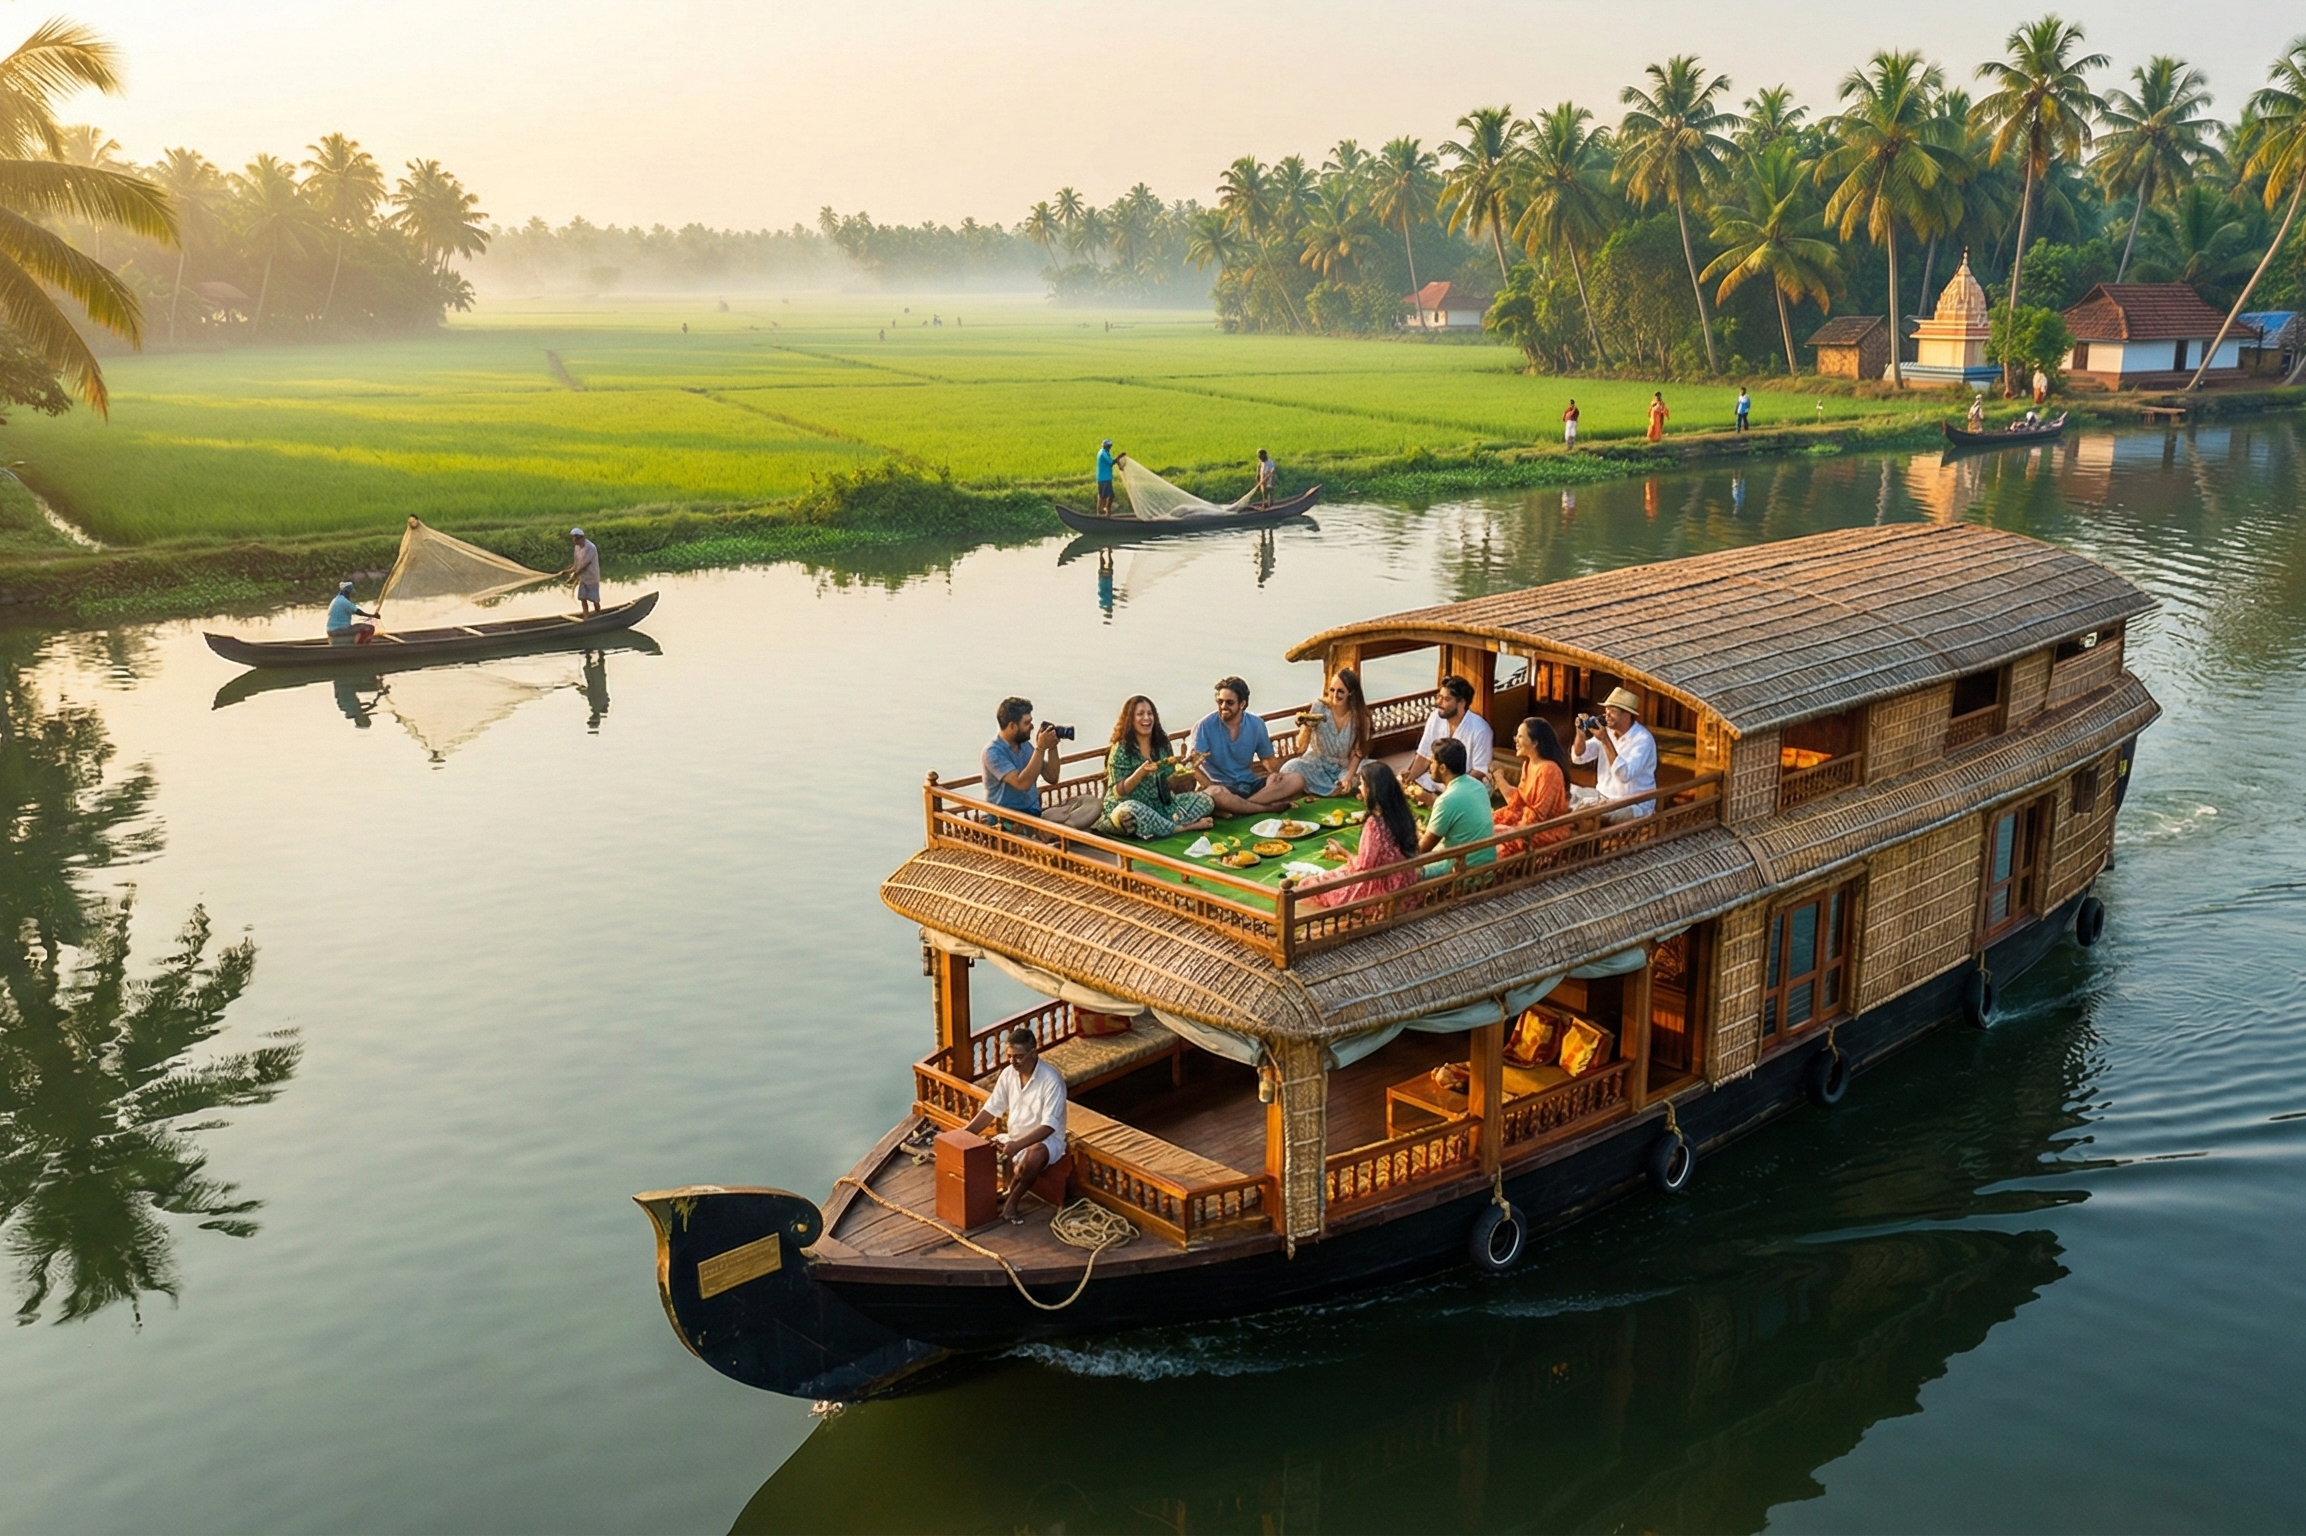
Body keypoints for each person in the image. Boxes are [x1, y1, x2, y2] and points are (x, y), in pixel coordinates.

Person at [962, 1026, 1068, 1225]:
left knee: (1035, 1154)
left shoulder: (1052, 1080)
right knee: (982, 1147)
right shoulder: (1008, 1073)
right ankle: (994, 1193)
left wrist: (1018, 1146)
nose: (1013, 1062)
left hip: (1047, 1141)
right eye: (1009, 1056)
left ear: (1033, 1053)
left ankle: (1013, 1200)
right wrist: (964, 1134)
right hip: (1015, 1136)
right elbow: (992, 1108)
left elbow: (1049, 1127)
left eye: (1018, 1057)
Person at [1303, 761, 1422, 910]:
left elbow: (1363, 867)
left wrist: (1343, 851)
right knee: (1335, 874)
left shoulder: (1375, 823)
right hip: (1405, 879)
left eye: (1361, 784)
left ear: (1371, 789)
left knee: (1311, 885)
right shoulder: (1402, 812)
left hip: (1381, 887)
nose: (1359, 788)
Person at [1099, 695, 1214, 839]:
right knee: (1131, 812)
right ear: (1130, 719)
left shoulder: (1162, 743)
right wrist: (1140, 773)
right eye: (1140, 714)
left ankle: (1160, 826)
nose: (1146, 718)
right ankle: (1185, 827)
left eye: (1150, 713)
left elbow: (1169, 781)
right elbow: (1118, 792)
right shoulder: (1121, 749)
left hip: (1159, 805)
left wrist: (1189, 767)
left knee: (1206, 800)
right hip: (1130, 805)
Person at [1187, 676, 1282, 817]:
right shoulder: (1204, 726)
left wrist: (1278, 774)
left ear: (1242, 704)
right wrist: (1210, 786)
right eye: (1220, 702)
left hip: (1251, 783)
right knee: (1217, 794)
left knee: (1295, 779)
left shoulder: (1256, 724)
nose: (1223, 706)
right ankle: (1264, 808)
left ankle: (1241, 807)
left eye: (1229, 702)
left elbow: (1267, 759)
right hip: (1222, 787)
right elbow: (1190, 765)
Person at [1271, 668, 1369, 801]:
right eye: (1332, 690)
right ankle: (1332, 790)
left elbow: (1358, 753)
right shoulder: (1319, 707)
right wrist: (1306, 726)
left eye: (1340, 691)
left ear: (1351, 692)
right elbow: (1301, 748)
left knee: (1370, 771)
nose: (1335, 695)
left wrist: (1348, 777)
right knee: (1290, 767)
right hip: (1316, 764)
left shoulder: (1360, 718)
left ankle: (1336, 788)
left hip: (1343, 767)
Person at [1571, 686, 1658, 820]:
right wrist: (1580, 732)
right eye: (1606, 710)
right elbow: (1579, 756)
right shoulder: (1609, 732)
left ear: (1627, 714)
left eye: (1612, 711)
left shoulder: (1643, 739)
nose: (1607, 715)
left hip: (1631, 803)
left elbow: (1624, 775)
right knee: (1567, 796)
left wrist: (1605, 740)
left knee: (1593, 818)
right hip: (1603, 797)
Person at [1403, 676, 1494, 800]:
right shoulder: (1435, 717)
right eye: (1439, 697)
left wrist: (1452, 792)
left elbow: (1480, 770)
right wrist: (1409, 779)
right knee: (1404, 781)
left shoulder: (1480, 730)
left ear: (1461, 702)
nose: (1439, 702)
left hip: (1466, 785)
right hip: (1438, 780)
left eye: (1446, 699)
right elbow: (1424, 755)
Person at [1418, 738, 1496, 876]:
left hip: (1463, 872)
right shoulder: (1477, 785)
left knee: (1406, 873)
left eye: (1432, 763)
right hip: (1488, 867)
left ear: (1442, 768)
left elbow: (1423, 849)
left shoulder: (1446, 800)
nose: (1429, 766)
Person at [1497, 716, 1573, 856]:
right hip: (1526, 819)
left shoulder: (1549, 770)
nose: (1516, 740)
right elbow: (1519, 800)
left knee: (1497, 836)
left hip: (1544, 829)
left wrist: (1513, 829)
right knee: (1486, 824)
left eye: (1520, 736)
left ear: (1535, 743)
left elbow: (1539, 815)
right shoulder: (1528, 763)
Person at [983, 696, 1062, 824]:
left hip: (1033, 814)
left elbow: (1052, 777)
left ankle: (1050, 833)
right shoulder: (993, 752)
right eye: (1027, 723)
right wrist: (1040, 748)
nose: (1031, 727)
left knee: (1090, 803)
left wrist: (1051, 746)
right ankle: (1049, 834)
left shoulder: (1026, 747)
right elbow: (1022, 784)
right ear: (1012, 726)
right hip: (1006, 820)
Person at [559, 528, 602, 615]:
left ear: (581, 538)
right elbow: (577, 564)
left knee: (594, 599)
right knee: (583, 598)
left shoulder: (590, 547)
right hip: (583, 577)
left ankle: (599, 614)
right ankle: (586, 617)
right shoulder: (577, 547)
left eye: (575, 539)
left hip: (591, 577)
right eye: (573, 539)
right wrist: (566, 571)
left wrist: (574, 576)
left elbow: (584, 566)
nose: (574, 541)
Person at [325, 579, 377, 645]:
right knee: (369, 628)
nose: (350, 594)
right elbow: (358, 612)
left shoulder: (336, 599)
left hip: (331, 630)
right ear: (347, 592)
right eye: (350, 592)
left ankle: (355, 641)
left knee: (358, 626)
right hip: (339, 630)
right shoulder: (344, 601)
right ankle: (359, 647)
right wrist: (373, 616)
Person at [1096, 439, 1118, 516]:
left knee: (1102, 495)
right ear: (1105, 446)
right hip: (1104, 478)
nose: (1109, 447)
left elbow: (1110, 460)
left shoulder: (1105, 452)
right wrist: (1119, 457)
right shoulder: (1103, 453)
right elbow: (1111, 462)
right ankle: (1105, 511)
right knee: (1107, 496)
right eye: (1108, 446)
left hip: (1104, 477)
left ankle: (1103, 512)